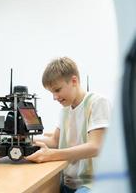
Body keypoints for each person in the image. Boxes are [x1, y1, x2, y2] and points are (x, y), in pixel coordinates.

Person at [25, 57, 110, 193]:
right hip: (67, 182)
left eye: (57, 90)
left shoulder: (97, 102)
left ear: (74, 81)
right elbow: (55, 140)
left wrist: (51, 155)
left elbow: (96, 147)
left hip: (91, 184)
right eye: (52, 93)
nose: (54, 97)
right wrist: (25, 139)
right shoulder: (65, 110)